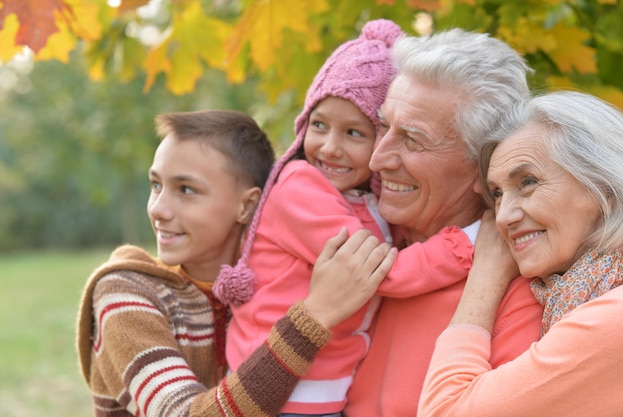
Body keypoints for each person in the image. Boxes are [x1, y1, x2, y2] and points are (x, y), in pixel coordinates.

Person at [215, 20, 476, 416]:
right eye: (319, 125)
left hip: (324, 393)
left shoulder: (361, 198)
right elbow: (384, 274)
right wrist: (468, 242)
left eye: (354, 133)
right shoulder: (300, 190)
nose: (330, 148)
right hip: (281, 391)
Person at [75, 109, 397, 417]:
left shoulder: (277, 285)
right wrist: (315, 316)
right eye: (156, 185)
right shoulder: (126, 294)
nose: (158, 209)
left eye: (186, 190)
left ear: (247, 205)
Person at [343, 28, 545, 417]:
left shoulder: (519, 297)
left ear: (482, 168)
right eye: (383, 127)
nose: (377, 159)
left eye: (414, 140)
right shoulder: (347, 235)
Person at [418, 91, 623, 417]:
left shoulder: (614, 320)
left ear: (605, 191)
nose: (503, 216)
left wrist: (485, 276)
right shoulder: (573, 296)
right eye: (498, 194)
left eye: (528, 182)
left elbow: (445, 410)